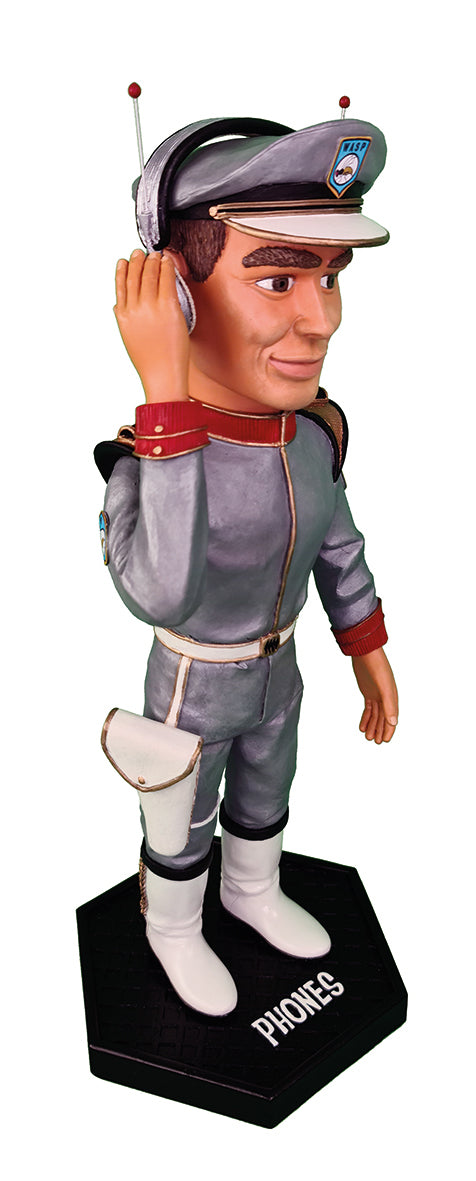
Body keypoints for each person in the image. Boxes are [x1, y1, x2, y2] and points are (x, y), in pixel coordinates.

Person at [96, 113, 398, 1017]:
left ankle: (252, 888)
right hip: (196, 684)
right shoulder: (146, 461)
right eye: (278, 279)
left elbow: (338, 545)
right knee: (182, 817)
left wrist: (369, 650)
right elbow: (162, 589)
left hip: (280, 672)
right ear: (177, 299)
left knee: (269, 787)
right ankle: (173, 924)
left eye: (329, 277)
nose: (322, 319)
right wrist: (164, 397)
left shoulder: (310, 437)